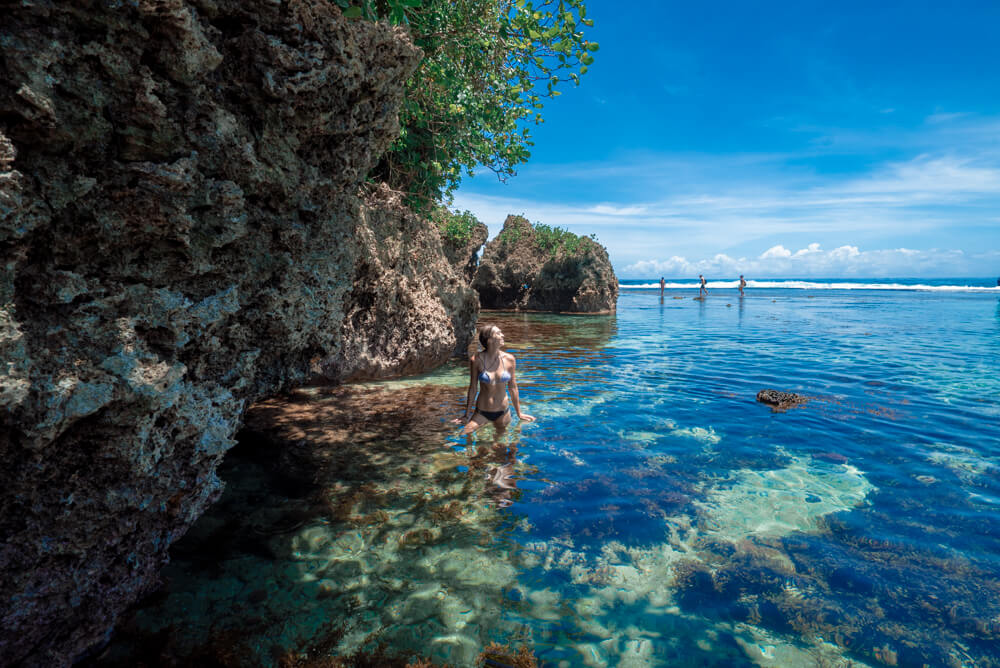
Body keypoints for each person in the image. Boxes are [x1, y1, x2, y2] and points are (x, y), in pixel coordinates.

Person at [453, 324, 535, 435]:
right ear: (489, 340)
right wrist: (466, 415)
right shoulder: (476, 360)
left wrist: (519, 413)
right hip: (481, 412)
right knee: (465, 434)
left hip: (503, 413)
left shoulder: (509, 359)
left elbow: (513, 387)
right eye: (498, 333)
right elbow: (473, 388)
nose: (502, 335)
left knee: (500, 447)